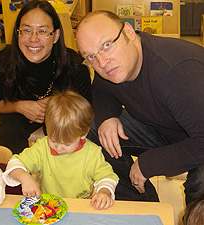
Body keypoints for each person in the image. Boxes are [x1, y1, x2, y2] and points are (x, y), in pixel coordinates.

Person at [76, 10, 204, 205]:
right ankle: (141, 204)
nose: (102, 62)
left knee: (201, 183)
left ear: (128, 32)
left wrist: (148, 163)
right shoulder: (113, 66)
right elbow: (101, 90)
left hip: (199, 137)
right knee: (98, 133)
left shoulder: (178, 74)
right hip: (168, 129)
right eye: (91, 56)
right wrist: (107, 117)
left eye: (107, 45)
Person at [0, 0, 91, 154]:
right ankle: (16, 175)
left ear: (55, 35)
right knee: (10, 133)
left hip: (62, 113)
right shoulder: (1, 65)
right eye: (26, 30)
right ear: (18, 33)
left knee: (70, 136)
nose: (33, 39)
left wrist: (58, 102)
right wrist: (18, 106)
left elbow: (87, 109)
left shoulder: (74, 67)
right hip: (17, 112)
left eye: (42, 31)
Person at [3, 90, 119, 210]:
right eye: (53, 140)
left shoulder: (92, 153)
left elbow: (107, 177)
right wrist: (25, 178)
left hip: (82, 207)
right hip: (50, 208)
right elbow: (14, 164)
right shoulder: (42, 148)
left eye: (66, 143)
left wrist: (104, 192)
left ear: (83, 134)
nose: (58, 148)